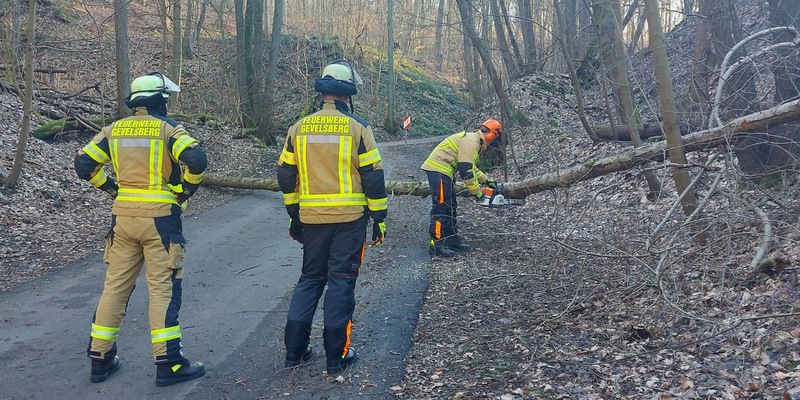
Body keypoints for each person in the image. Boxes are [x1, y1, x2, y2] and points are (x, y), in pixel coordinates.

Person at [74, 72, 208, 386]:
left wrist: (110, 187)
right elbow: (197, 159)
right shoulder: (168, 129)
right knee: (162, 292)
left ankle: (100, 359)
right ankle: (169, 364)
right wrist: (184, 192)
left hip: (122, 219)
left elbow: (83, 164)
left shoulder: (114, 130)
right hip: (161, 220)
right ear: (161, 99)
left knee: (115, 289)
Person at [277, 59, 388, 375]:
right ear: (348, 93)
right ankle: (336, 357)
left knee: (310, 279)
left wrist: (294, 214)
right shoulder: (358, 127)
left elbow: (286, 174)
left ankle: (294, 352)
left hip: (311, 220)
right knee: (341, 282)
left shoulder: (299, 128)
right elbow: (373, 177)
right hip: (350, 220)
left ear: (323, 92)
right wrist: (379, 217)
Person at [421, 119, 502, 257]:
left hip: (444, 171)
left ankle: (451, 240)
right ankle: (436, 245)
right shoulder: (472, 142)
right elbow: (466, 171)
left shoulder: (473, 140)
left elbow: (471, 167)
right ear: (491, 134)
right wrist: (477, 193)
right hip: (438, 170)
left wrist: (487, 181)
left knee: (451, 206)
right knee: (441, 207)